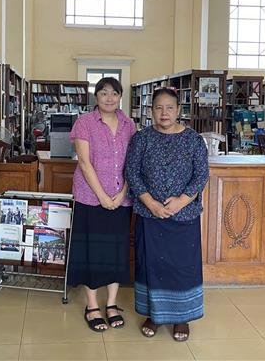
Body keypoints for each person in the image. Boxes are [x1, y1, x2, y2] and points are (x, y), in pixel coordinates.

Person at [125, 87, 209, 342]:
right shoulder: (141, 139)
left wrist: (181, 202)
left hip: (183, 216)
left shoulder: (194, 140)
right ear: (151, 111)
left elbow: (201, 174)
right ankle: (154, 314)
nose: (164, 113)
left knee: (181, 266)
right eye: (158, 108)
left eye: (169, 108)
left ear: (178, 111)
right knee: (152, 264)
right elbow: (132, 172)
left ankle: (181, 317)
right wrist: (150, 203)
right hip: (149, 215)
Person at [67, 77, 136, 332]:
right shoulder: (85, 123)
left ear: (120, 96)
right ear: (96, 96)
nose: (109, 98)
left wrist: (122, 193)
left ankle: (112, 304)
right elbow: (84, 163)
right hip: (90, 199)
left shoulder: (129, 124)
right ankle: (92, 305)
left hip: (122, 199)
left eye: (114, 93)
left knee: (116, 252)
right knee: (92, 252)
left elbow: (133, 163)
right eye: (104, 93)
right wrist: (104, 197)